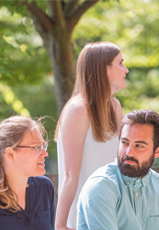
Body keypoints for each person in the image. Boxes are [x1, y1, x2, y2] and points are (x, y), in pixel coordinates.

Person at [55, 41, 129, 230]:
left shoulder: (115, 106)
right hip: (83, 217)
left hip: (111, 210)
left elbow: (119, 166)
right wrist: (61, 225)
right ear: (103, 69)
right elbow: (70, 175)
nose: (126, 69)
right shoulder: (78, 110)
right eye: (120, 63)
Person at [77, 109, 159, 230]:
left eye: (139, 146)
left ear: (157, 151)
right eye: (124, 142)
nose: (129, 152)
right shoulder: (100, 187)